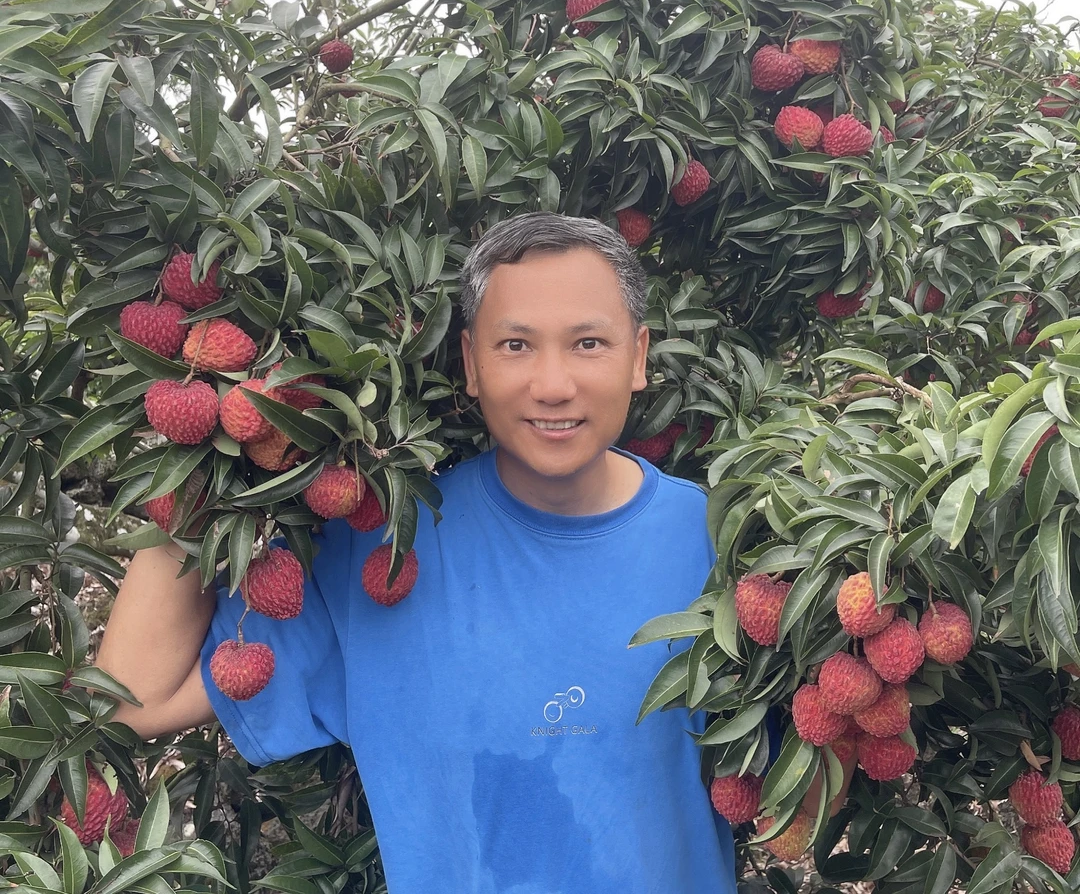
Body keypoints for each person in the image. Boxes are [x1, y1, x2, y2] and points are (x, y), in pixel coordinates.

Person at [97, 213, 793, 892]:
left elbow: (804, 770)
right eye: (516, 346)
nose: (553, 384)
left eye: (588, 344)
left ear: (638, 358)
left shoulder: (731, 545)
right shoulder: (379, 546)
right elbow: (135, 702)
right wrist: (200, 461)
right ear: (469, 363)